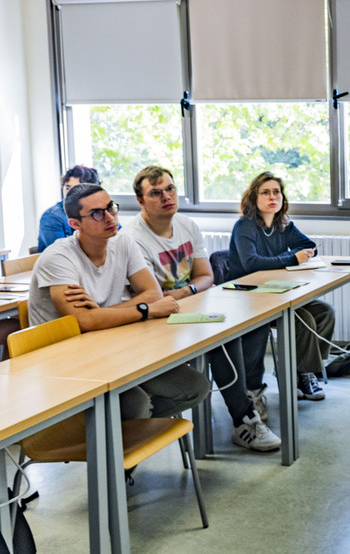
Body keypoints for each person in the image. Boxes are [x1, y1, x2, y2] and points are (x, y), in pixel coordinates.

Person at [122, 166, 280, 452]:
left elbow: (206, 277)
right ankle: (244, 419)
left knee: (253, 322)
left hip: (187, 305)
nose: (166, 197)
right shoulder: (133, 237)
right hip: (155, 320)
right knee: (221, 339)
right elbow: (152, 296)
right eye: (155, 193)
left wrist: (185, 291)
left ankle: (250, 393)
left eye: (170, 189)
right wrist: (188, 291)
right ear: (141, 201)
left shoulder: (186, 225)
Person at [27, 183, 210, 420]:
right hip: (64, 364)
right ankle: (120, 436)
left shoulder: (123, 242)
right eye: (96, 213)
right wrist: (144, 310)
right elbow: (84, 321)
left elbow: (152, 293)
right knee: (135, 403)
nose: (109, 217)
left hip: (110, 346)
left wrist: (101, 314)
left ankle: (127, 429)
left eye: (110, 208)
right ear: (75, 224)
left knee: (195, 387)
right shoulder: (58, 257)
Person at [228, 172, 336, 401]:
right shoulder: (244, 227)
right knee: (304, 319)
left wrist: (306, 253)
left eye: (276, 192)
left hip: (278, 295)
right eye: (265, 192)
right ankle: (295, 373)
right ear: (253, 198)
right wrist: (292, 259)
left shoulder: (283, 225)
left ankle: (301, 371)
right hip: (250, 299)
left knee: (326, 313)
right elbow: (251, 263)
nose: (272, 197)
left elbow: (309, 245)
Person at [37, 164, 101, 252]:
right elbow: (61, 255)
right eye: (67, 188)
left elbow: (118, 239)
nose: (71, 193)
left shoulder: (99, 210)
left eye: (77, 188)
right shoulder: (52, 217)